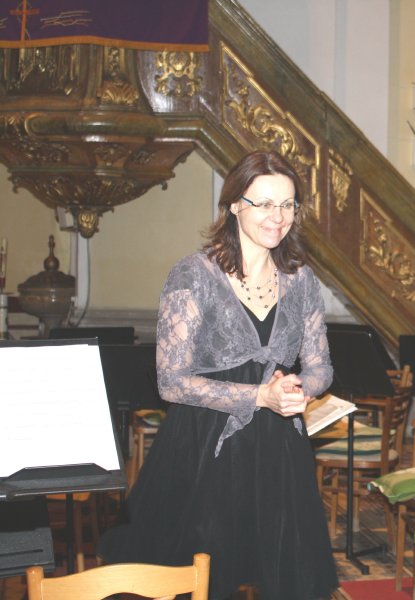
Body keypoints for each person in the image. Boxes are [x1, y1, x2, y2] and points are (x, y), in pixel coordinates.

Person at [100, 151, 338, 599]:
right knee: (202, 576)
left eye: (287, 204)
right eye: (263, 203)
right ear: (234, 205)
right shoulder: (194, 274)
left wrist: (299, 388)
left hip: (279, 448)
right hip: (205, 447)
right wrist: (259, 396)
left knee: (287, 574)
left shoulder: (301, 279)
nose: (278, 216)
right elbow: (171, 381)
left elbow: (321, 365)